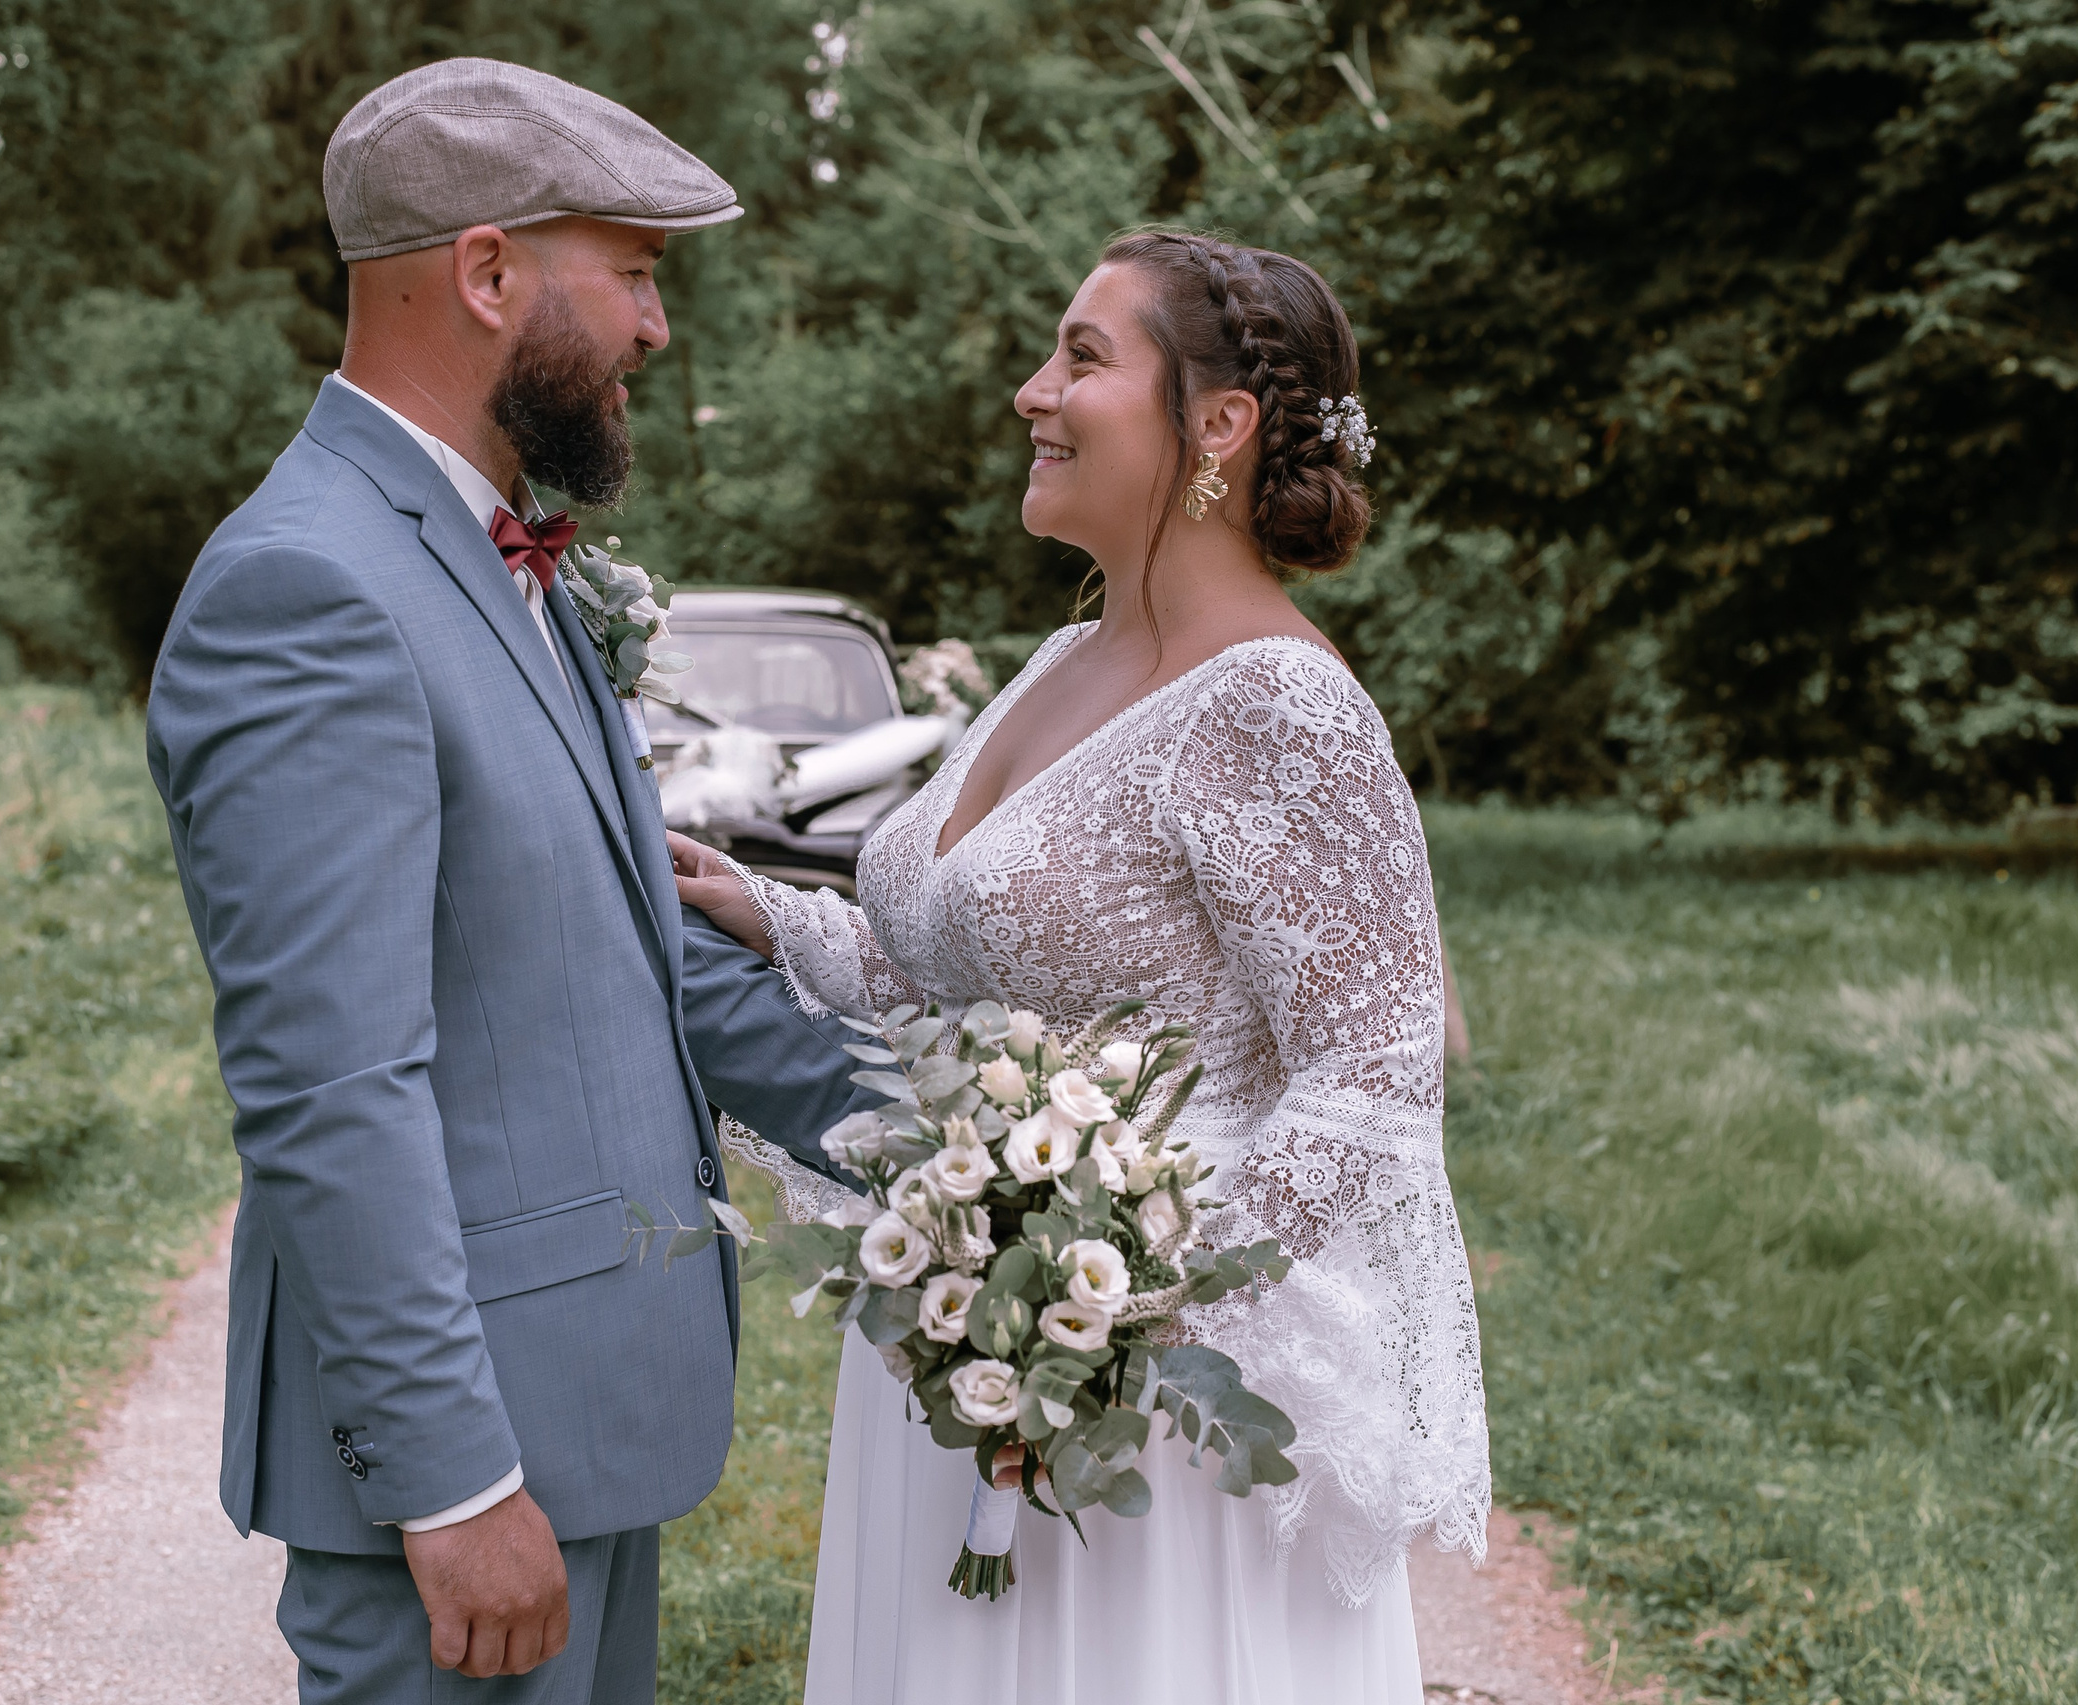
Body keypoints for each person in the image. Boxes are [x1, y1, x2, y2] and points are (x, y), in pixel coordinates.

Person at [673, 229, 1491, 1704]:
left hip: (1148, 1419)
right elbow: (952, 970)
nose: (1029, 392)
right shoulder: (1065, 657)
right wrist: (763, 911)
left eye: (1082, 357)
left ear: (1219, 424)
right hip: (982, 1341)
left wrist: (1118, 1297)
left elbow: (1372, 1083)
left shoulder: (1280, 702)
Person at [146, 59, 872, 1705]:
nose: (654, 330)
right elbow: (331, 1087)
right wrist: (454, 1481)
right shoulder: (305, 589)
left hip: (591, 1417)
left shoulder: (489, 550)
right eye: (634, 274)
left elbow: (637, 956)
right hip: (477, 1478)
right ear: (486, 274)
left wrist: (956, 1153)